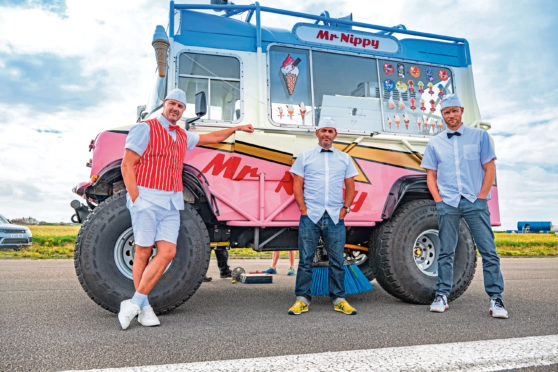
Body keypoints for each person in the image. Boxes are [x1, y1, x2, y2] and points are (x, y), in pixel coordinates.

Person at [119, 88, 254, 329]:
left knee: (168, 252)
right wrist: (136, 199)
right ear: (164, 104)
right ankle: (145, 306)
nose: (176, 109)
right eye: (172, 104)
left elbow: (211, 138)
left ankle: (134, 303)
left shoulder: (182, 135)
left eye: (180, 106)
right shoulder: (145, 128)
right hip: (147, 197)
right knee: (142, 252)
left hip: (172, 200)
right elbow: (127, 164)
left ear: (183, 110)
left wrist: (235, 129)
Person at [420, 94, 509, 319]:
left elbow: (489, 168)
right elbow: (431, 175)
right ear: (442, 115)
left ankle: (496, 299)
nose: (451, 115)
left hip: (474, 201)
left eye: (454, 111)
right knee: (446, 250)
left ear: (461, 110)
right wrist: (438, 201)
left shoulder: (480, 137)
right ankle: (441, 295)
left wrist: (481, 197)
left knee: (489, 250)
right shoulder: (435, 143)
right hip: (448, 203)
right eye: (446, 112)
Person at [288, 117, 359, 315]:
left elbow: (351, 185)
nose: (326, 134)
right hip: (310, 215)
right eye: (323, 130)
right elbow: (297, 184)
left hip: (336, 216)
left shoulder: (344, 158)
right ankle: (302, 298)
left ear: (335, 135)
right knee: (305, 260)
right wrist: (303, 208)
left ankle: (339, 298)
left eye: (330, 131)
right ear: (317, 133)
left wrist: (345, 208)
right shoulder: (305, 157)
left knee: (337, 261)